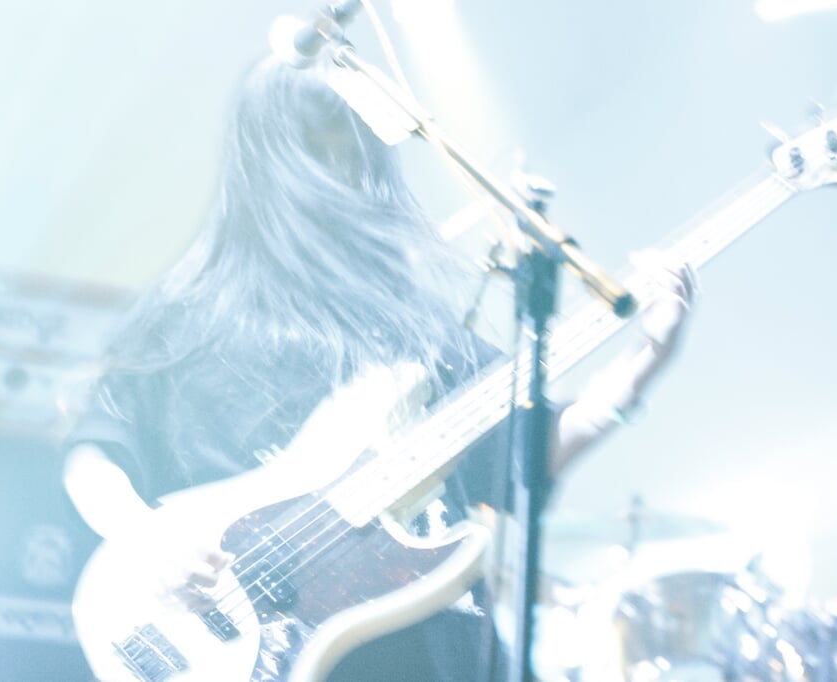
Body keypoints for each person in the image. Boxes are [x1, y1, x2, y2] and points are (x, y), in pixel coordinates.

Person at [62, 54, 697, 682]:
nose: (341, 175)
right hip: (257, 651)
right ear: (268, 169)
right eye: (317, 151)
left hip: (434, 654)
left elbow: (527, 451)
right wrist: (148, 539)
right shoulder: (190, 310)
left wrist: (645, 360)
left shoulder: (417, 326)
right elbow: (95, 454)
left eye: (352, 154)